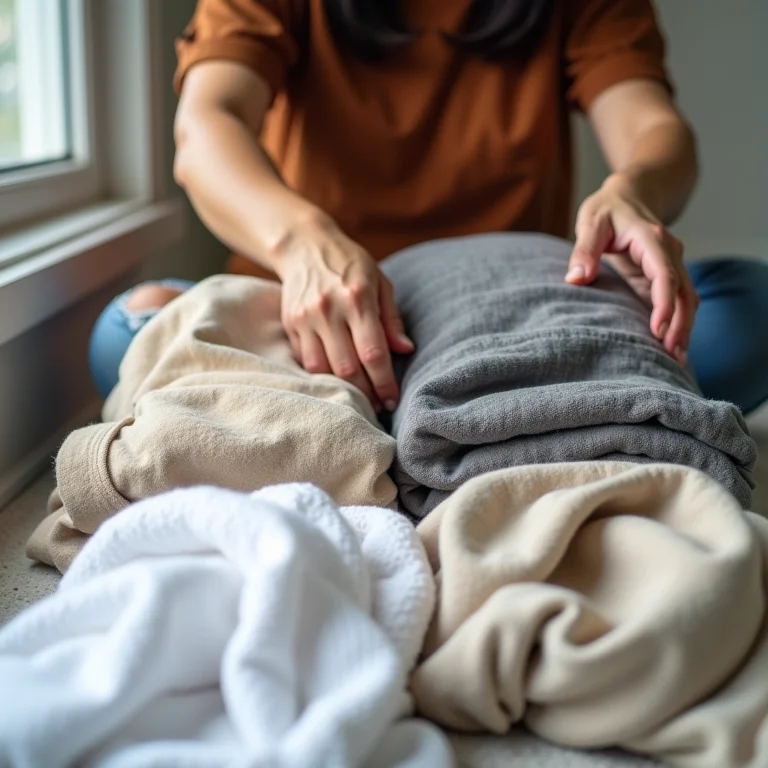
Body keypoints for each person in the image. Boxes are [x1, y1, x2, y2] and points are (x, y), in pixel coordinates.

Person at [89, 0, 768, 415]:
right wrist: (302, 243)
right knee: (125, 333)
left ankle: (349, 415)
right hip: (311, 327)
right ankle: (484, 409)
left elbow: (657, 134)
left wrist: (633, 193)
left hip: (515, 322)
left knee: (749, 309)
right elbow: (208, 124)